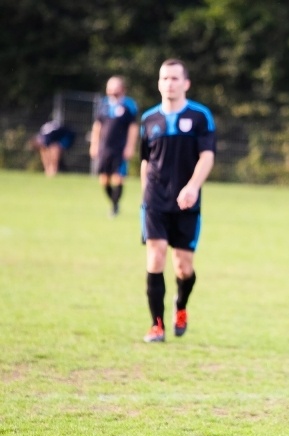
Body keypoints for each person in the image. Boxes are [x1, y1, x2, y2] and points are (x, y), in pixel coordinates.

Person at [139, 59, 216, 343]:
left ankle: (180, 306)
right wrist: (144, 196)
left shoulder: (200, 117)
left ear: (186, 83)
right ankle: (156, 325)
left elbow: (207, 156)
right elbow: (146, 162)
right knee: (156, 255)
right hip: (155, 202)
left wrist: (193, 187)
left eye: (174, 78)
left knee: (183, 267)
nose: (169, 83)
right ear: (159, 83)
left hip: (187, 203)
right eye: (164, 78)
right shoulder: (149, 119)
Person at [89, 76, 139, 216]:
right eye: (109, 87)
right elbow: (97, 126)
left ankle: (115, 206)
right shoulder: (103, 104)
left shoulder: (129, 105)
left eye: (115, 87)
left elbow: (133, 128)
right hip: (104, 147)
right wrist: (94, 144)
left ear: (122, 89)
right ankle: (114, 202)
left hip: (120, 147)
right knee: (104, 179)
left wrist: (130, 146)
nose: (111, 90)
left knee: (118, 177)